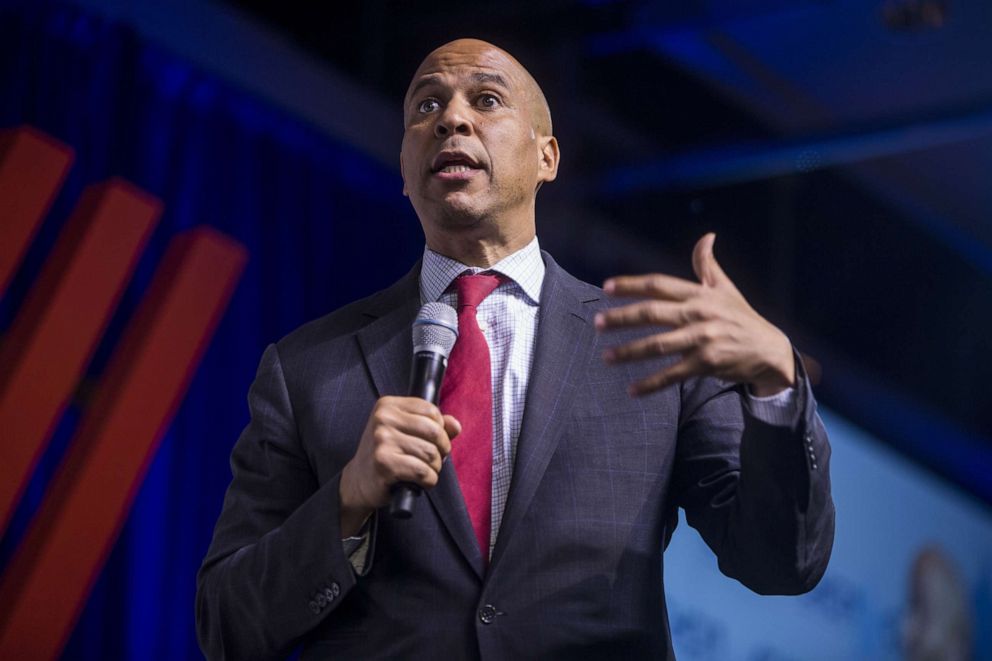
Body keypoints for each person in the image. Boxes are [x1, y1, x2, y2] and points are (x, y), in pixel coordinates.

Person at [196, 38, 834, 660]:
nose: (451, 119)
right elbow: (227, 625)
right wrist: (348, 500)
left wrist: (774, 384)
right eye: (426, 107)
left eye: (487, 100)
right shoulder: (307, 368)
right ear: (402, 167)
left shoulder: (653, 347)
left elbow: (781, 563)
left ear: (547, 156)